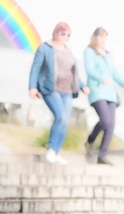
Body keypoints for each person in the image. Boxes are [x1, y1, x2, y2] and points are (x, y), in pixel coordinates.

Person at [28, 22, 89, 165]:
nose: (65, 37)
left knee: (66, 120)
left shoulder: (69, 51)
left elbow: (73, 72)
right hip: (50, 88)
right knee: (60, 116)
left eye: (68, 35)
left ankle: (56, 151)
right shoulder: (45, 48)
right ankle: (51, 149)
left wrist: (82, 85)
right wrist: (32, 86)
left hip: (67, 90)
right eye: (63, 34)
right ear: (55, 33)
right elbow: (35, 67)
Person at [83, 27, 124, 165]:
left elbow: (116, 74)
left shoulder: (108, 55)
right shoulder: (89, 52)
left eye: (104, 37)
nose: (102, 40)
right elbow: (89, 70)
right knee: (105, 120)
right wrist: (101, 78)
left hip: (110, 94)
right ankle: (90, 140)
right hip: (97, 92)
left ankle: (102, 155)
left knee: (110, 125)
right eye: (100, 36)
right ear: (95, 37)